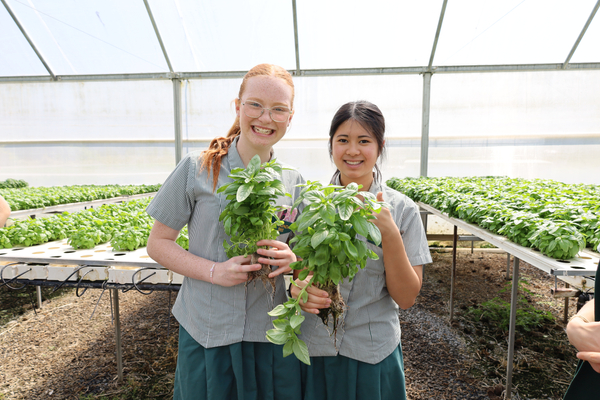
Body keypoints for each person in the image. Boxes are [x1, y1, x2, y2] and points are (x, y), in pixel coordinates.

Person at [146, 64, 304, 400]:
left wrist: (293, 260)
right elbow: (158, 243)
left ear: (290, 117)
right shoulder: (198, 168)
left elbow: (302, 258)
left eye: (279, 109)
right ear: (238, 107)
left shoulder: (293, 181)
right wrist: (215, 271)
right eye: (255, 105)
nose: (266, 117)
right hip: (208, 328)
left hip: (269, 333)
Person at [290, 100, 432, 400]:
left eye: (363, 141)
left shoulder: (402, 209)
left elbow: (406, 298)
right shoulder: (310, 204)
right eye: (343, 140)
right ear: (331, 146)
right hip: (315, 349)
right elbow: (299, 271)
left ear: (380, 146)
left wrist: (390, 233)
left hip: (372, 353)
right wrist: (299, 289)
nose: (352, 150)